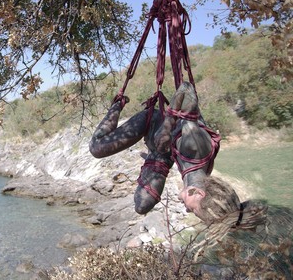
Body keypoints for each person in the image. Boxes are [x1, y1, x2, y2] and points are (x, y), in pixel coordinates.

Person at [90, 82, 267, 232]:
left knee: (142, 206)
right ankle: (118, 103)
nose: (188, 212)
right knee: (96, 148)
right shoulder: (195, 146)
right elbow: (185, 88)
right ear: (197, 192)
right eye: (194, 211)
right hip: (156, 126)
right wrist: (167, 127)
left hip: (167, 151)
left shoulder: (195, 177)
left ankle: (158, 152)